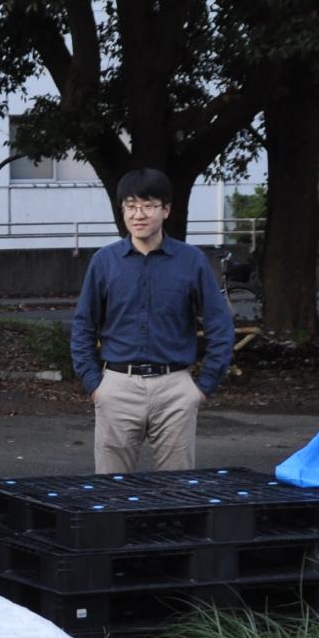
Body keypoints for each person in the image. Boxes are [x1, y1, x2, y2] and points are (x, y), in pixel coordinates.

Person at [68, 168, 235, 473]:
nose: (138, 214)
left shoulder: (191, 260)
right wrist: (94, 384)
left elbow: (219, 325)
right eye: (130, 206)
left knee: (177, 490)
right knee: (111, 490)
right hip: (116, 385)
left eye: (148, 205)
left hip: (175, 388)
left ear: (166, 209)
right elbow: (83, 325)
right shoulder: (104, 262)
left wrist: (203, 386)